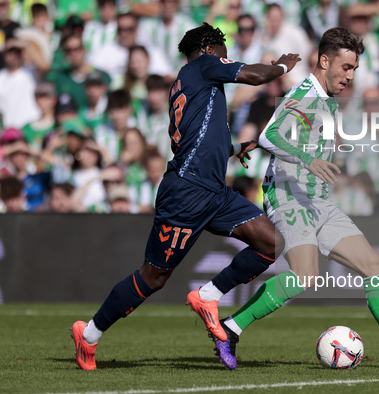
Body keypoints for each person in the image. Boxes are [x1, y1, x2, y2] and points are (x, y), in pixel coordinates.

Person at [210, 27, 379, 371]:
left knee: (377, 268)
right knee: (305, 276)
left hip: (317, 201)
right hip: (289, 197)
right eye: (346, 67)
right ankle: (229, 330)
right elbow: (269, 134)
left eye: (354, 69)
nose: (350, 76)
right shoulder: (305, 93)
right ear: (324, 60)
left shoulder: (327, 100)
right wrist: (307, 159)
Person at [70, 22, 301, 371]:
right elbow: (256, 76)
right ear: (210, 48)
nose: (227, 59)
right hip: (187, 192)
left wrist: (237, 147)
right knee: (154, 277)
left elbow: (200, 138)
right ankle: (88, 335)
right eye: (224, 51)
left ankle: (208, 295)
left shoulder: (194, 82)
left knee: (270, 243)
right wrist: (281, 65)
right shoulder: (204, 67)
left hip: (213, 192)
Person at [45, 35, 111, 110]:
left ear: (84, 50)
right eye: (68, 50)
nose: (74, 54)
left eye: (77, 49)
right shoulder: (61, 78)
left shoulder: (103, 76)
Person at [0, 38, 39, 129]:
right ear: (3, 54)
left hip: (32, 127)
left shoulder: (31, 72)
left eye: (17, 52)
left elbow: (45, 66)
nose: (13, 55)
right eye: (9, 52)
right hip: (8, 131)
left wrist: (23, 44)